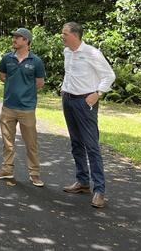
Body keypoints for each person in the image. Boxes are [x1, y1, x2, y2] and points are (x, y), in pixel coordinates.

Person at [60, 22, 115, 208]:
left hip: (85, 102)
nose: (62, 36)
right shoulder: (67, 52)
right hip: (68, 100)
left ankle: (99, 190)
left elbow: (109, 75)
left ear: (75, 35)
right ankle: (82, 182)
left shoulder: (92, 53)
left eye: (64, 33)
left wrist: (97, 94)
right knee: (76, 143)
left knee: (91, 146)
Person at [0, 28, 46, 187]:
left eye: (18, 37)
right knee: (7, 142)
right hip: (8, 107)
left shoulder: (36, 61)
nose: (14, 39)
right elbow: (2, 76)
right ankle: (7, 169)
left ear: (26, 41)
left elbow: (39, 83)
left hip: (27, 109)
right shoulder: (7, 58)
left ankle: (34, 174)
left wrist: (25, 91)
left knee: (31, 143)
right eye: (13, 37)